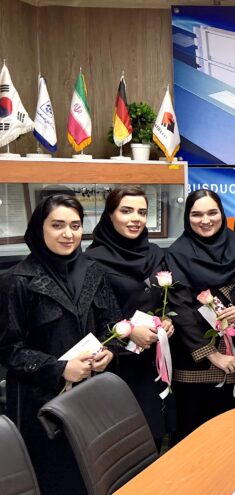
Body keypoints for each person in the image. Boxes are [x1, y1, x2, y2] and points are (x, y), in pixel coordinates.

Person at [0, 194, 119, 494]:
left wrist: (109, 352)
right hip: (40, 406)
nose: (68, 234)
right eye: (57, 225)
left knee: (93, 474)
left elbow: (111, 324)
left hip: (90, 396)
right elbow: (8, 348)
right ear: (39, 228)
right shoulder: (17, 280)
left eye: (75, 226)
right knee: (54, 480)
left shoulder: (93, 271)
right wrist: (58, 368)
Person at [84, 186, 177, 449]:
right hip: (117, 366)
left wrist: (167, 321)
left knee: (157, 437)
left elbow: (163, 299)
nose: (136, 218)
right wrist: (126, 332)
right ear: (110, 215)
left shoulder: (155, 254)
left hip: (154, 361)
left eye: (142, 212)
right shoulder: (91, 261)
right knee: (125, 444)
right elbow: (87, 317)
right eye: (126, 211)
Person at [165, 190, 235, 443]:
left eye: (212, 213)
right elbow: (179, 309)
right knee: (196, 439)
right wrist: (213, 354)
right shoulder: (177, 253)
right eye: (197, 214)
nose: (205, 220)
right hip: (195, 363)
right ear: (187, 217)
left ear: (222, 214)